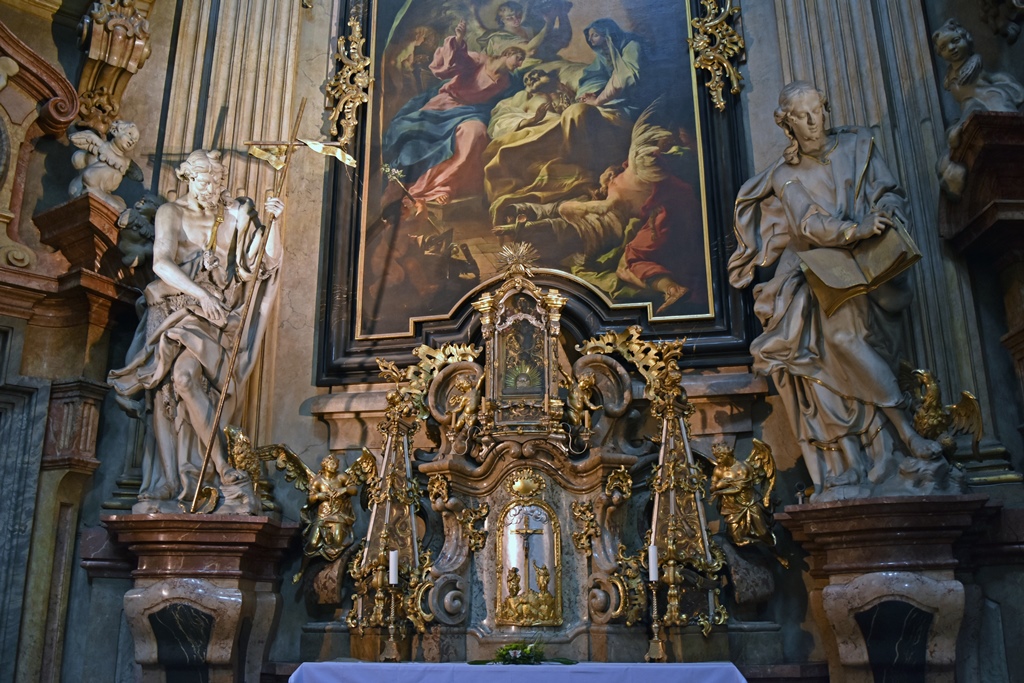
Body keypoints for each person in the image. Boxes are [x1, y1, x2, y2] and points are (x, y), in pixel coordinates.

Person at [729, 82, 947, 501]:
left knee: (856, 346)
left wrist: (884, 214)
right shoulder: (786, 176)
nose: (814, 123)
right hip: (821, 272)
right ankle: (902, 432)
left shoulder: (860, 145)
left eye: (818, 112)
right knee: (838, 341)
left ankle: (889, 446)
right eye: (803, 117)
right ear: (787, 124)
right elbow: (808, 223)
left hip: (875, 269)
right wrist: (852, 229)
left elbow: (889, 193)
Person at [108, 149, 284, 513]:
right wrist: (200, 293)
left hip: (216, 316)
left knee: (189, 381)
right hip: (175, 307)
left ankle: (214, 471)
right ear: (188, 178)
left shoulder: (231, 214)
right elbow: (161, 263)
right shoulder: (172, 213)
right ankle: (176, 478)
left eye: (217, 181)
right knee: (168, 393)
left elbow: (261, 262)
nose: (212, 188)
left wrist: (275, 222)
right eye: (206, 181)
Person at [382, 19, 525, 207]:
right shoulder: (479, 60)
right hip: (445, 106)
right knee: (416, 140)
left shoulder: (509, 82)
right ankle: (414, 185)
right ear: (508, 53)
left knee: (476, 133)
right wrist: (457, 41)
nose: (521, 63)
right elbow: (455, 62)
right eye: (518, 57)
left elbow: (517, 99)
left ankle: (442, 186)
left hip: (473, 113)